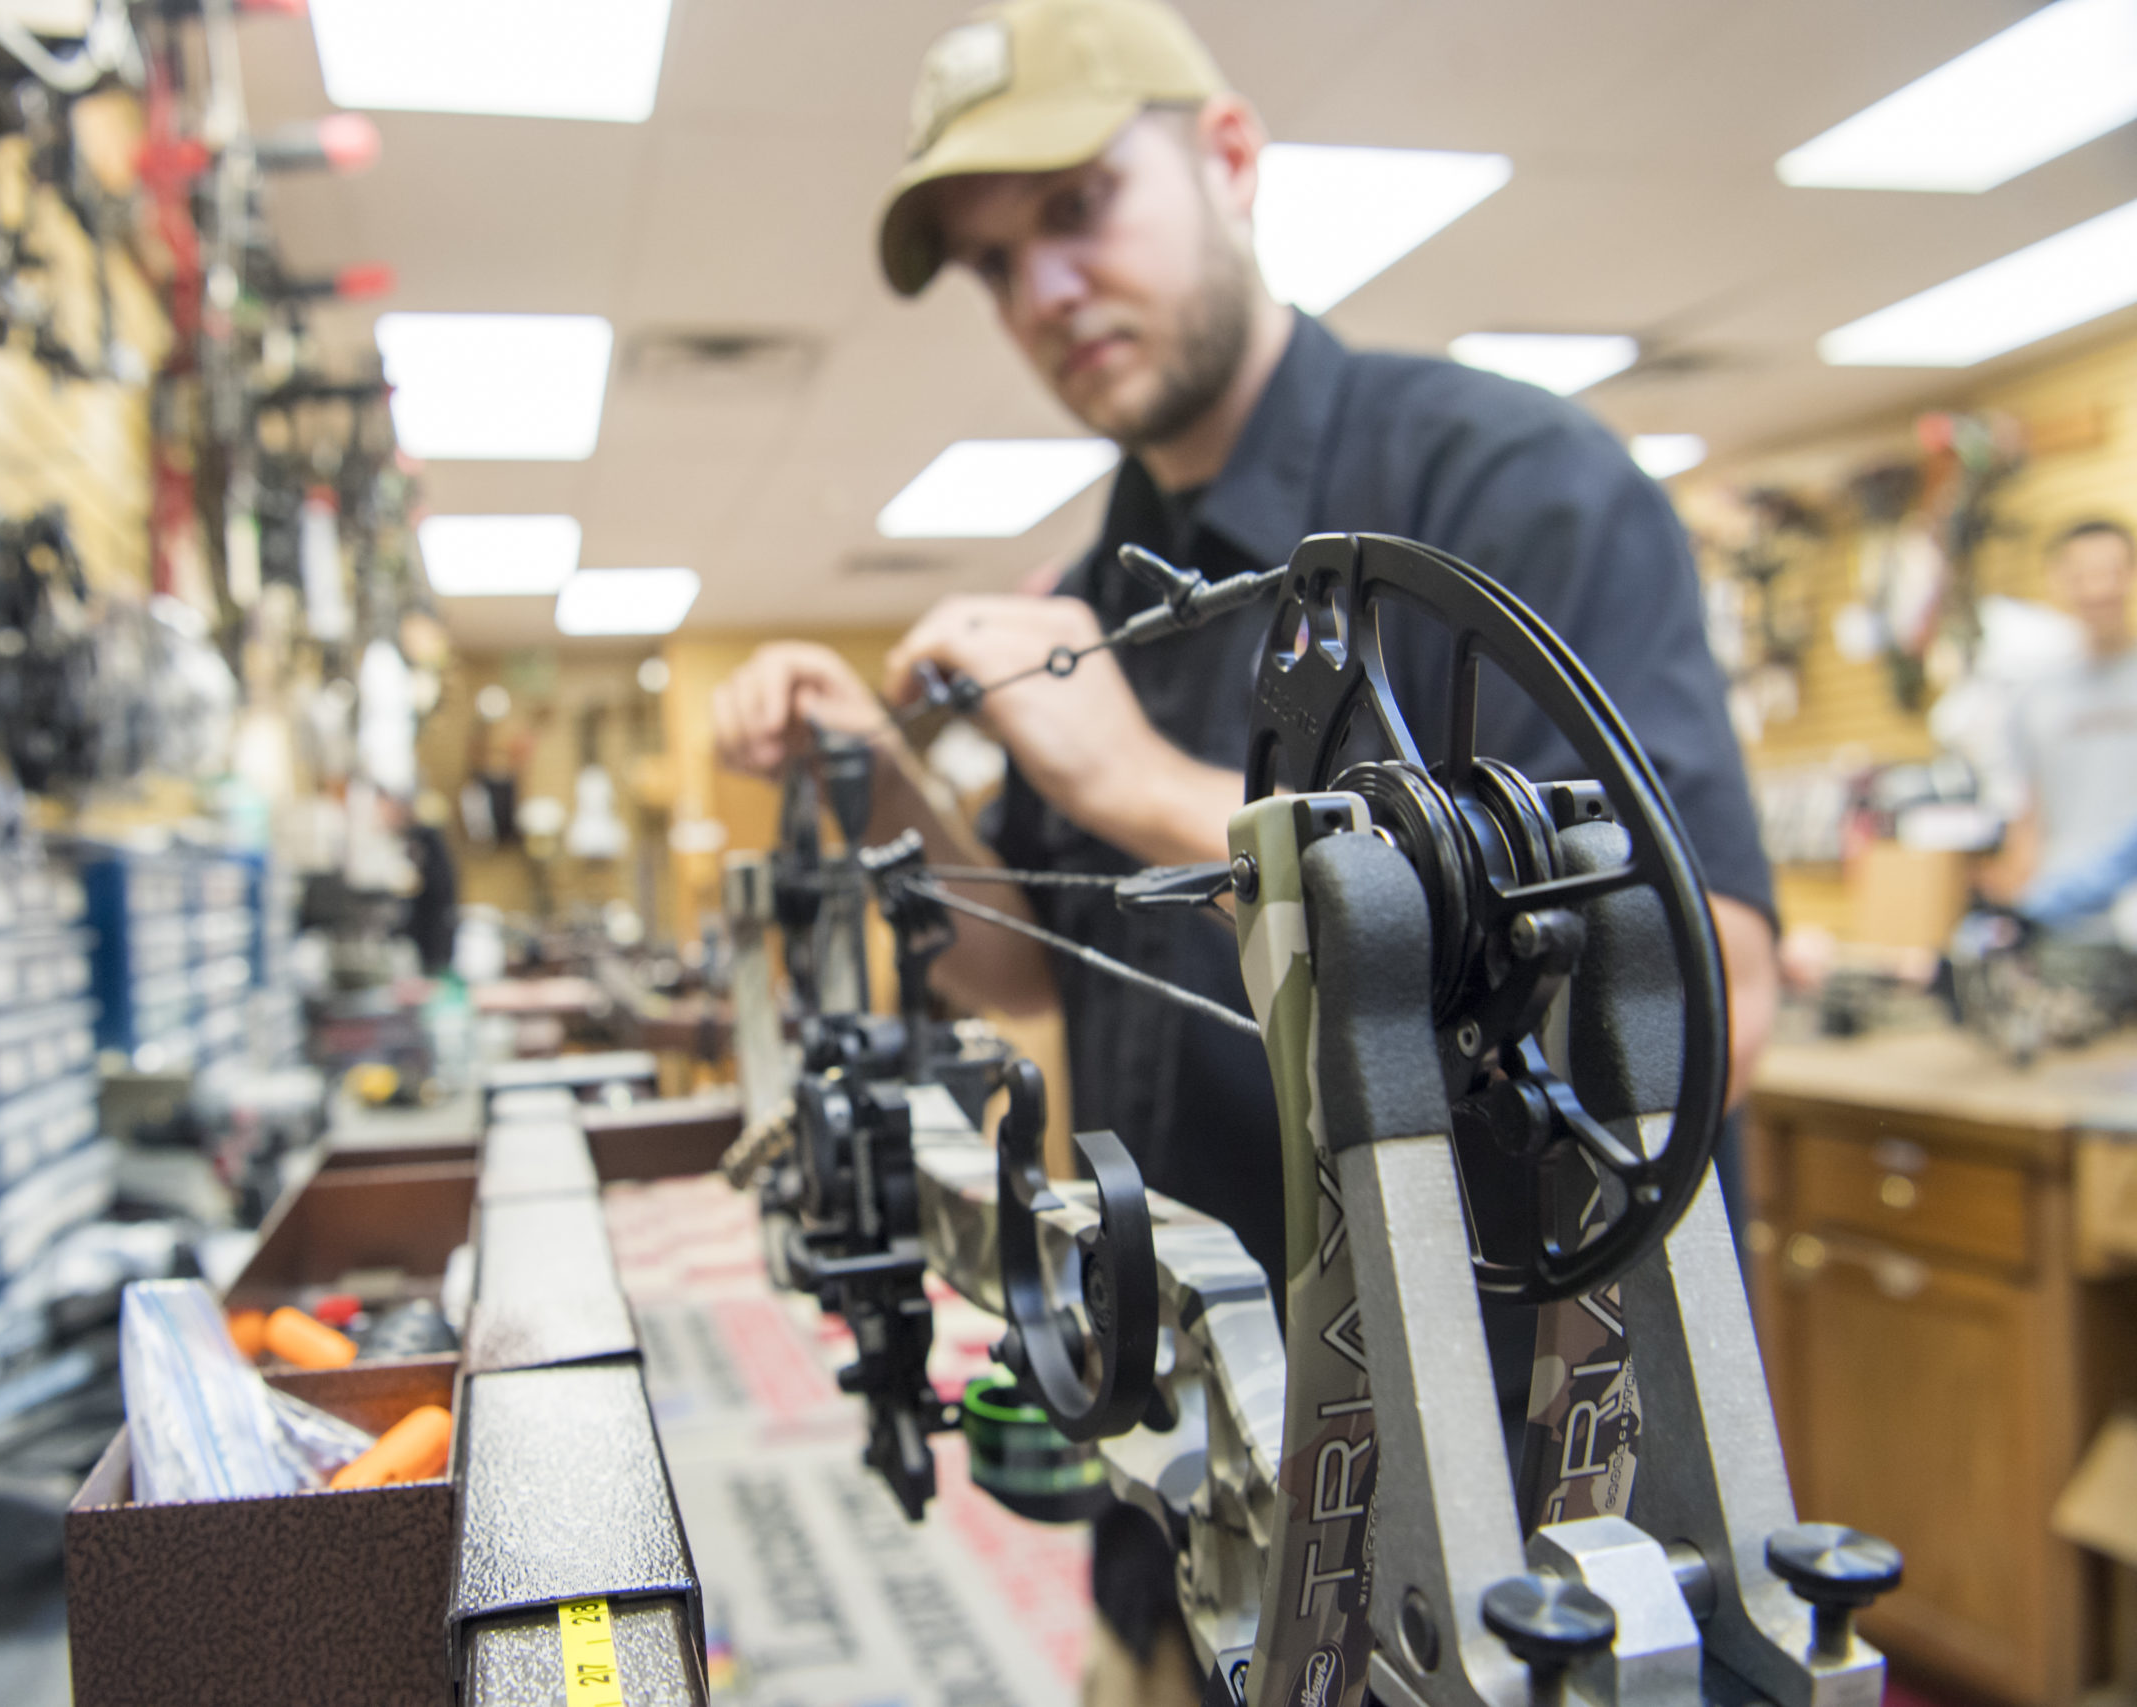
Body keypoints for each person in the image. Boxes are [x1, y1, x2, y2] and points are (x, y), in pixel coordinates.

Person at [709, 1, 1779, 1696]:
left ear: (1228, 159)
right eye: (995, 263)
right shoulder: (1101, 593)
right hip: (1189, 1498)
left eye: (1075, 210)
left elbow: (1715, 992)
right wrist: (890, 787)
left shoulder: (1518, 486)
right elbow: (1021, 955)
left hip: (1516, 1553)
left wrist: (1150, 782)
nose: (1042, 291)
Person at [1987, 520, 2137, 922]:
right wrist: (2018, 904)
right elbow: (2028, 815)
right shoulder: (2032, 697)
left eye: (2111, 572)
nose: (2098, 589)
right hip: (2063, 917)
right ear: (2057, 582)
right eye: (2081, 575)